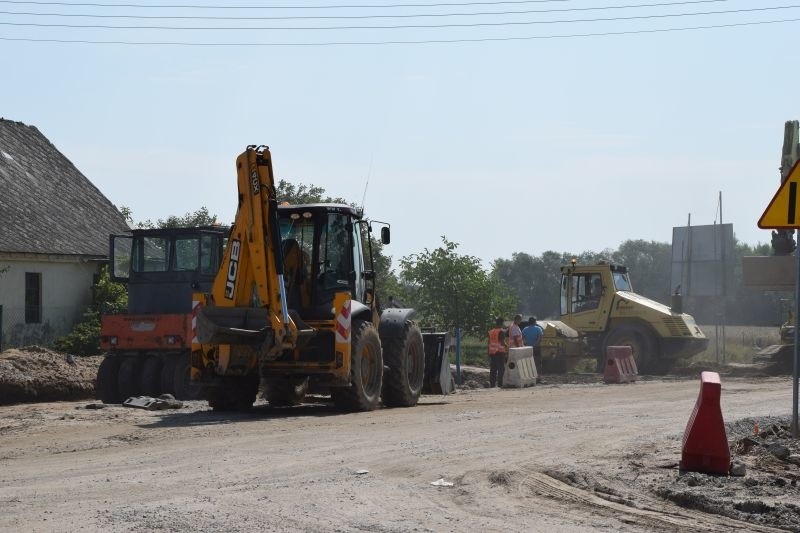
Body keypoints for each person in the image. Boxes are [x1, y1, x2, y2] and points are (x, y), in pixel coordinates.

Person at [487, 316, 507, 388]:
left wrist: (488, 352)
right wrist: (507, 346)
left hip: (492, 352)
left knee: (493, 369)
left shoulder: (491, 331)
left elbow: (488, 343)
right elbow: (502, 342)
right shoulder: (501, 331)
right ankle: (500, 384)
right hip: (500, 352)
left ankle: (492, 384)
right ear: (502, 323)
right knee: (501, 369)